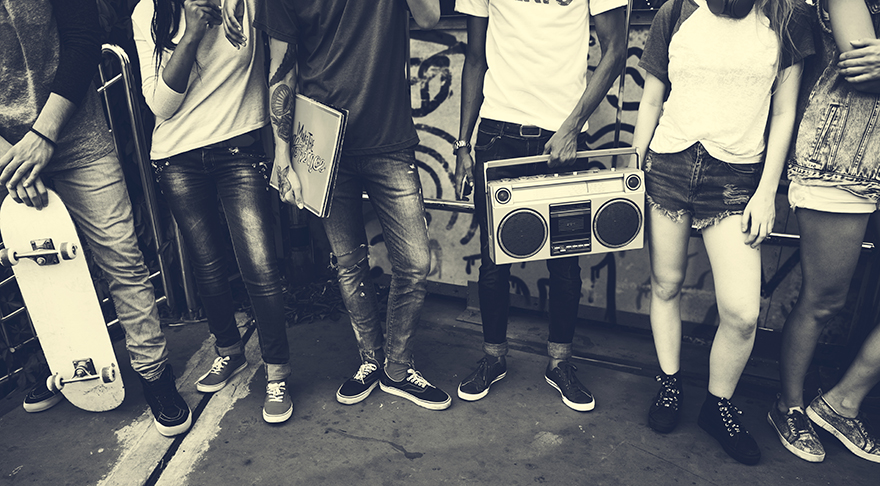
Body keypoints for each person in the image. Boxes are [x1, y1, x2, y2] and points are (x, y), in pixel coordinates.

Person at [223, 0, 450, 410]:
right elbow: (281, 68)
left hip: (388, 138)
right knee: (349, 263)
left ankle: (397, 369)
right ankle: (372, 361)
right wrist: (283, 154)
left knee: (416, 263)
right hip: (323, 142)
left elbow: (430, 16)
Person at [632, 0, 813, 465]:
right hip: (668, 164)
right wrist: (633, 171)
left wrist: (767, 191)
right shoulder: (675, 11)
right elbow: (652, 98)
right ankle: (669, 383)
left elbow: (784, 112)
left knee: (742, 312)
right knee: (666, 285)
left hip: (735, 178)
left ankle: (718, 405)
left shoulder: (786, 17)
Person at [0, 0, 191, 436]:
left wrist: (43, 134)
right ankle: (59, 368)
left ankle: (154, 375)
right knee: (33, 265)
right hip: (6, 151)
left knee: (122, 258)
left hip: (76, 133)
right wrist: (8, 161)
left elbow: (83, 40)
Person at [453, 0, 627, 411]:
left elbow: (616, 50)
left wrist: (571, 128)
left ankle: (560, 364)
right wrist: (462, 144)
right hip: (498, 135)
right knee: (494, 261)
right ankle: (493, 358)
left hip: (561, 137)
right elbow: (475, 58)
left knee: (565, 262)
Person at [131, 0, 294, 423]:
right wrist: (191, 34)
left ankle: (277, 373)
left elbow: (281, 51)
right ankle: (229, 350)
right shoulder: (148, 11)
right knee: (207, 265)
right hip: (176, 156)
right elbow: (161, 105)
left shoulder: (248, 5)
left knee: (260, 266)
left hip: (239, 148)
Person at [770, 0, 880, 463]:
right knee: (824, 300)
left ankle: (842, 401)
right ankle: (789, 406)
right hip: (842, 157)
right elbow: (864, 70)